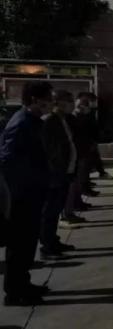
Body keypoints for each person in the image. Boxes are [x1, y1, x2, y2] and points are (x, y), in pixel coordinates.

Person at [0, 81, 53, 305]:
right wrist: (20, 190)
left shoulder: (32, 122)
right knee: (19, 245)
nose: (51, 103)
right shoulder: (21, 124)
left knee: (28, 243)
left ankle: (23, 283)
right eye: (47, 99)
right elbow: (7, 160)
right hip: (22, 196)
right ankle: (14, 292)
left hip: (32, 192)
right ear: (34, 100)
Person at [39, 90, 78, 258]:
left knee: (55, 210)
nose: (71, 104)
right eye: (68, 101)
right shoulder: (49, 121)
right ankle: (47, 245)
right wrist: (56, 170)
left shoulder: (63, 119)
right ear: (59, 102)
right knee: (49, 211)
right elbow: (50, 150)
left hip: (65, 171)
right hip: (55, 174)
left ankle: (53, 240)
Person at [61, 95, 93, 227]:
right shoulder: (63, 119)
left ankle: (74, 206)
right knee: (70, 187)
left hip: (78, 154)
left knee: (76, 183)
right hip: (69, 160)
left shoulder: (70, 118)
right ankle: (68, 213)